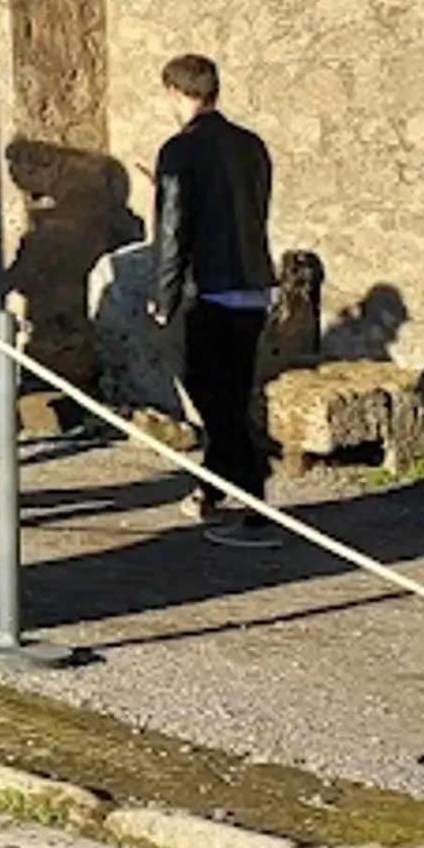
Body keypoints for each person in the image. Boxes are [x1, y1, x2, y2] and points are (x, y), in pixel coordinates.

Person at [148, 51, 279, 539]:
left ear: (175, 92)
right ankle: (212, 490)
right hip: (253, 284)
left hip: (211, 291)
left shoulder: (180, 151)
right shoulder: (252, 145)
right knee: (231, 396)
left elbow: (173, 228)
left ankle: (253, 509)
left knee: (216, 405)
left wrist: (162, 296)